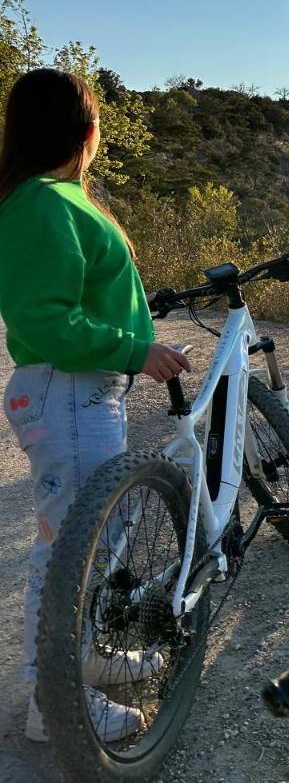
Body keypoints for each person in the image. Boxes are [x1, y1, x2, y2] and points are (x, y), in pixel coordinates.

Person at [0, 68, 191, 743]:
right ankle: (53, 704)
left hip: (79, 390)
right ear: (86, 131)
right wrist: (134, 351)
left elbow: (76, 301)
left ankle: (81, 663)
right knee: (74, 549)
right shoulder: (44, 202)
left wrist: (135, 339)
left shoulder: (51, 197)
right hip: (70, 388)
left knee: (83, 540)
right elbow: (46, 320)